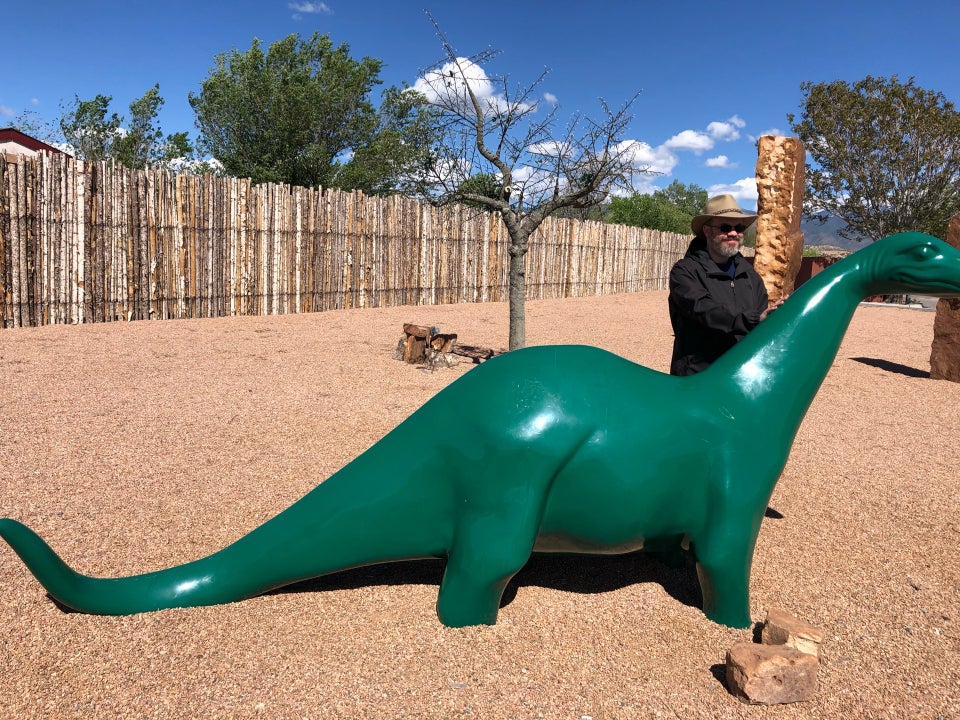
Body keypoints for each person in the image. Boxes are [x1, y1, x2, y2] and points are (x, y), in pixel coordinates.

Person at [668, 194, 783, 376]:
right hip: (698, 377)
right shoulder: (685, 272)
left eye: (739, 228)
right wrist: (752, 319)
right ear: (707, 231)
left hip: (741, 375)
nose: (733, 233)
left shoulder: (750, 275)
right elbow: (702, 309)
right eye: (725, 227)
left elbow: (760, 321)